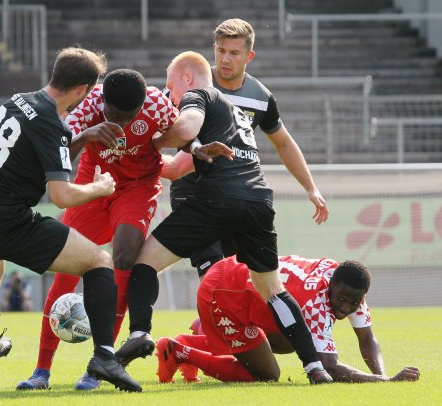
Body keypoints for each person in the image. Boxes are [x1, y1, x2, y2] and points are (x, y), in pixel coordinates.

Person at [115, 51, 333, 384]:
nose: (171, 98)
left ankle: (140, 332)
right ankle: (313, 367)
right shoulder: (235, 114)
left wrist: (153, 140)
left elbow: (186, 127)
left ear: (187, 79)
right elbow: (178, 165)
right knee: (273, 291)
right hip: (258, 200)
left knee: (145, 261)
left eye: (171, 88)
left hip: (216, 199)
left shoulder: (198, 96)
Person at [0, 47, 141, 392]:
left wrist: (82, 136)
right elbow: (61, 196)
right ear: (83, 89)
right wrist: (100, 188)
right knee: (100, 261)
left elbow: (32, 150)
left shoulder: (18, 101)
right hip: (6, 222)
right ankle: (105, 357)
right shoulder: (51, 122)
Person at [15, 69, 180, 392]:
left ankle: (100, 366)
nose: (119, 121)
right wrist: (89, 134)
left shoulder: (157, 104)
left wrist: (194, 149)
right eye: (113, 115)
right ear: (102, 100)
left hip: (137, 187)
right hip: (93, 184)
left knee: (123, 258)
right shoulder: (89, 103)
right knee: (66, 271)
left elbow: (182, 131)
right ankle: (41, 372)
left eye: (127, 117)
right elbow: (62, 154)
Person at [162, 18, 328, 278]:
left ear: (249, 56)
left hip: (235, 195)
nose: (225, 59)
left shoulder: (260, 97)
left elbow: (283, 142)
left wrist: (311, 187)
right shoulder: (194, 84)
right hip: (192, 190)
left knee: (238, 278)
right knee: (214, 274)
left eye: (234, 53)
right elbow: (157, 123)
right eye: (220, 51)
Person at [155, 255, 421, 384]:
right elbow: (328, 365)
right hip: (224, 292)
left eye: (354, 302)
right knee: (267, 374)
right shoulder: (314, 300)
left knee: (291, 342)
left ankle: (199, 334)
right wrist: (384, 383)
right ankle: (178, 350)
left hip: (244, 286)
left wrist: (382, 374)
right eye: (342, 299)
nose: (346, 307)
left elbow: (368, 338)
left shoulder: (345, 281)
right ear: (332, 285)